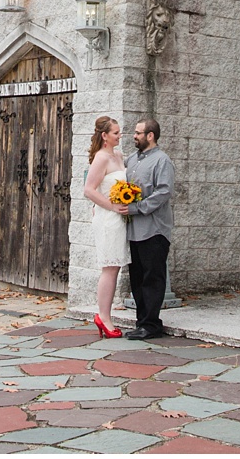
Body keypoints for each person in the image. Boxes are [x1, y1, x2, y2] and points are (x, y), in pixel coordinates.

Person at [124, 118, 174, 340]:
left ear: (150, 136)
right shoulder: (132, 160)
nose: (134, 136)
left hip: (154, 230)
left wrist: (138, 208)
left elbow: (163, 192)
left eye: (138, 133)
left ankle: (152, 325)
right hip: (134, 231)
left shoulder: (162, 161)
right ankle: (141, 322)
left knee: (152, 278)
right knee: (136, 278)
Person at [83, 115, 130, 337]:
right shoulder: (101, 158)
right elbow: (89, 189)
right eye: (115, 133)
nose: (120, 135)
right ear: (104, 136)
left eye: (119, 132)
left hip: (121, 219)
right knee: (109, 268)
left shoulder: (119, 155)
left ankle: (105, 315)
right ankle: (104, 316)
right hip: (108, 219)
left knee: (116, 267)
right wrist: (111, 207)